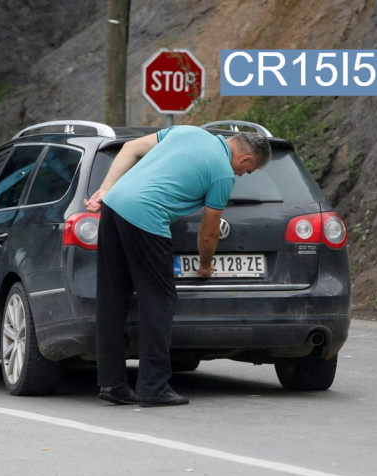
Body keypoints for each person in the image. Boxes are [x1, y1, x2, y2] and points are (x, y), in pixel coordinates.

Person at [84, 125, 272, 407]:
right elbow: (209, 233)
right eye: (249, 170)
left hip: (113, 207)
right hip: (145, 218)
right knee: (159, 302)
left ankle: (112, 383)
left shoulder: (187, 131)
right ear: (245, 159)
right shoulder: (222, 173)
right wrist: (205, 265)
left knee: (113, 299)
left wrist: (105, 191)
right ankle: (153, 387)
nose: (243, 175)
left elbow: (129, 148)